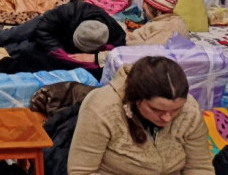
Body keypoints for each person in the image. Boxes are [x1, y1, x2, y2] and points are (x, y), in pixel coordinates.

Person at [68, 56, 213, 174]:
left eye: (176, 110)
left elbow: (199, 167)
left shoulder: (189, 109)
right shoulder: (103, 108)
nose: (167, 118)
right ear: (136, 99)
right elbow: (81, 171)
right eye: (157, 110)